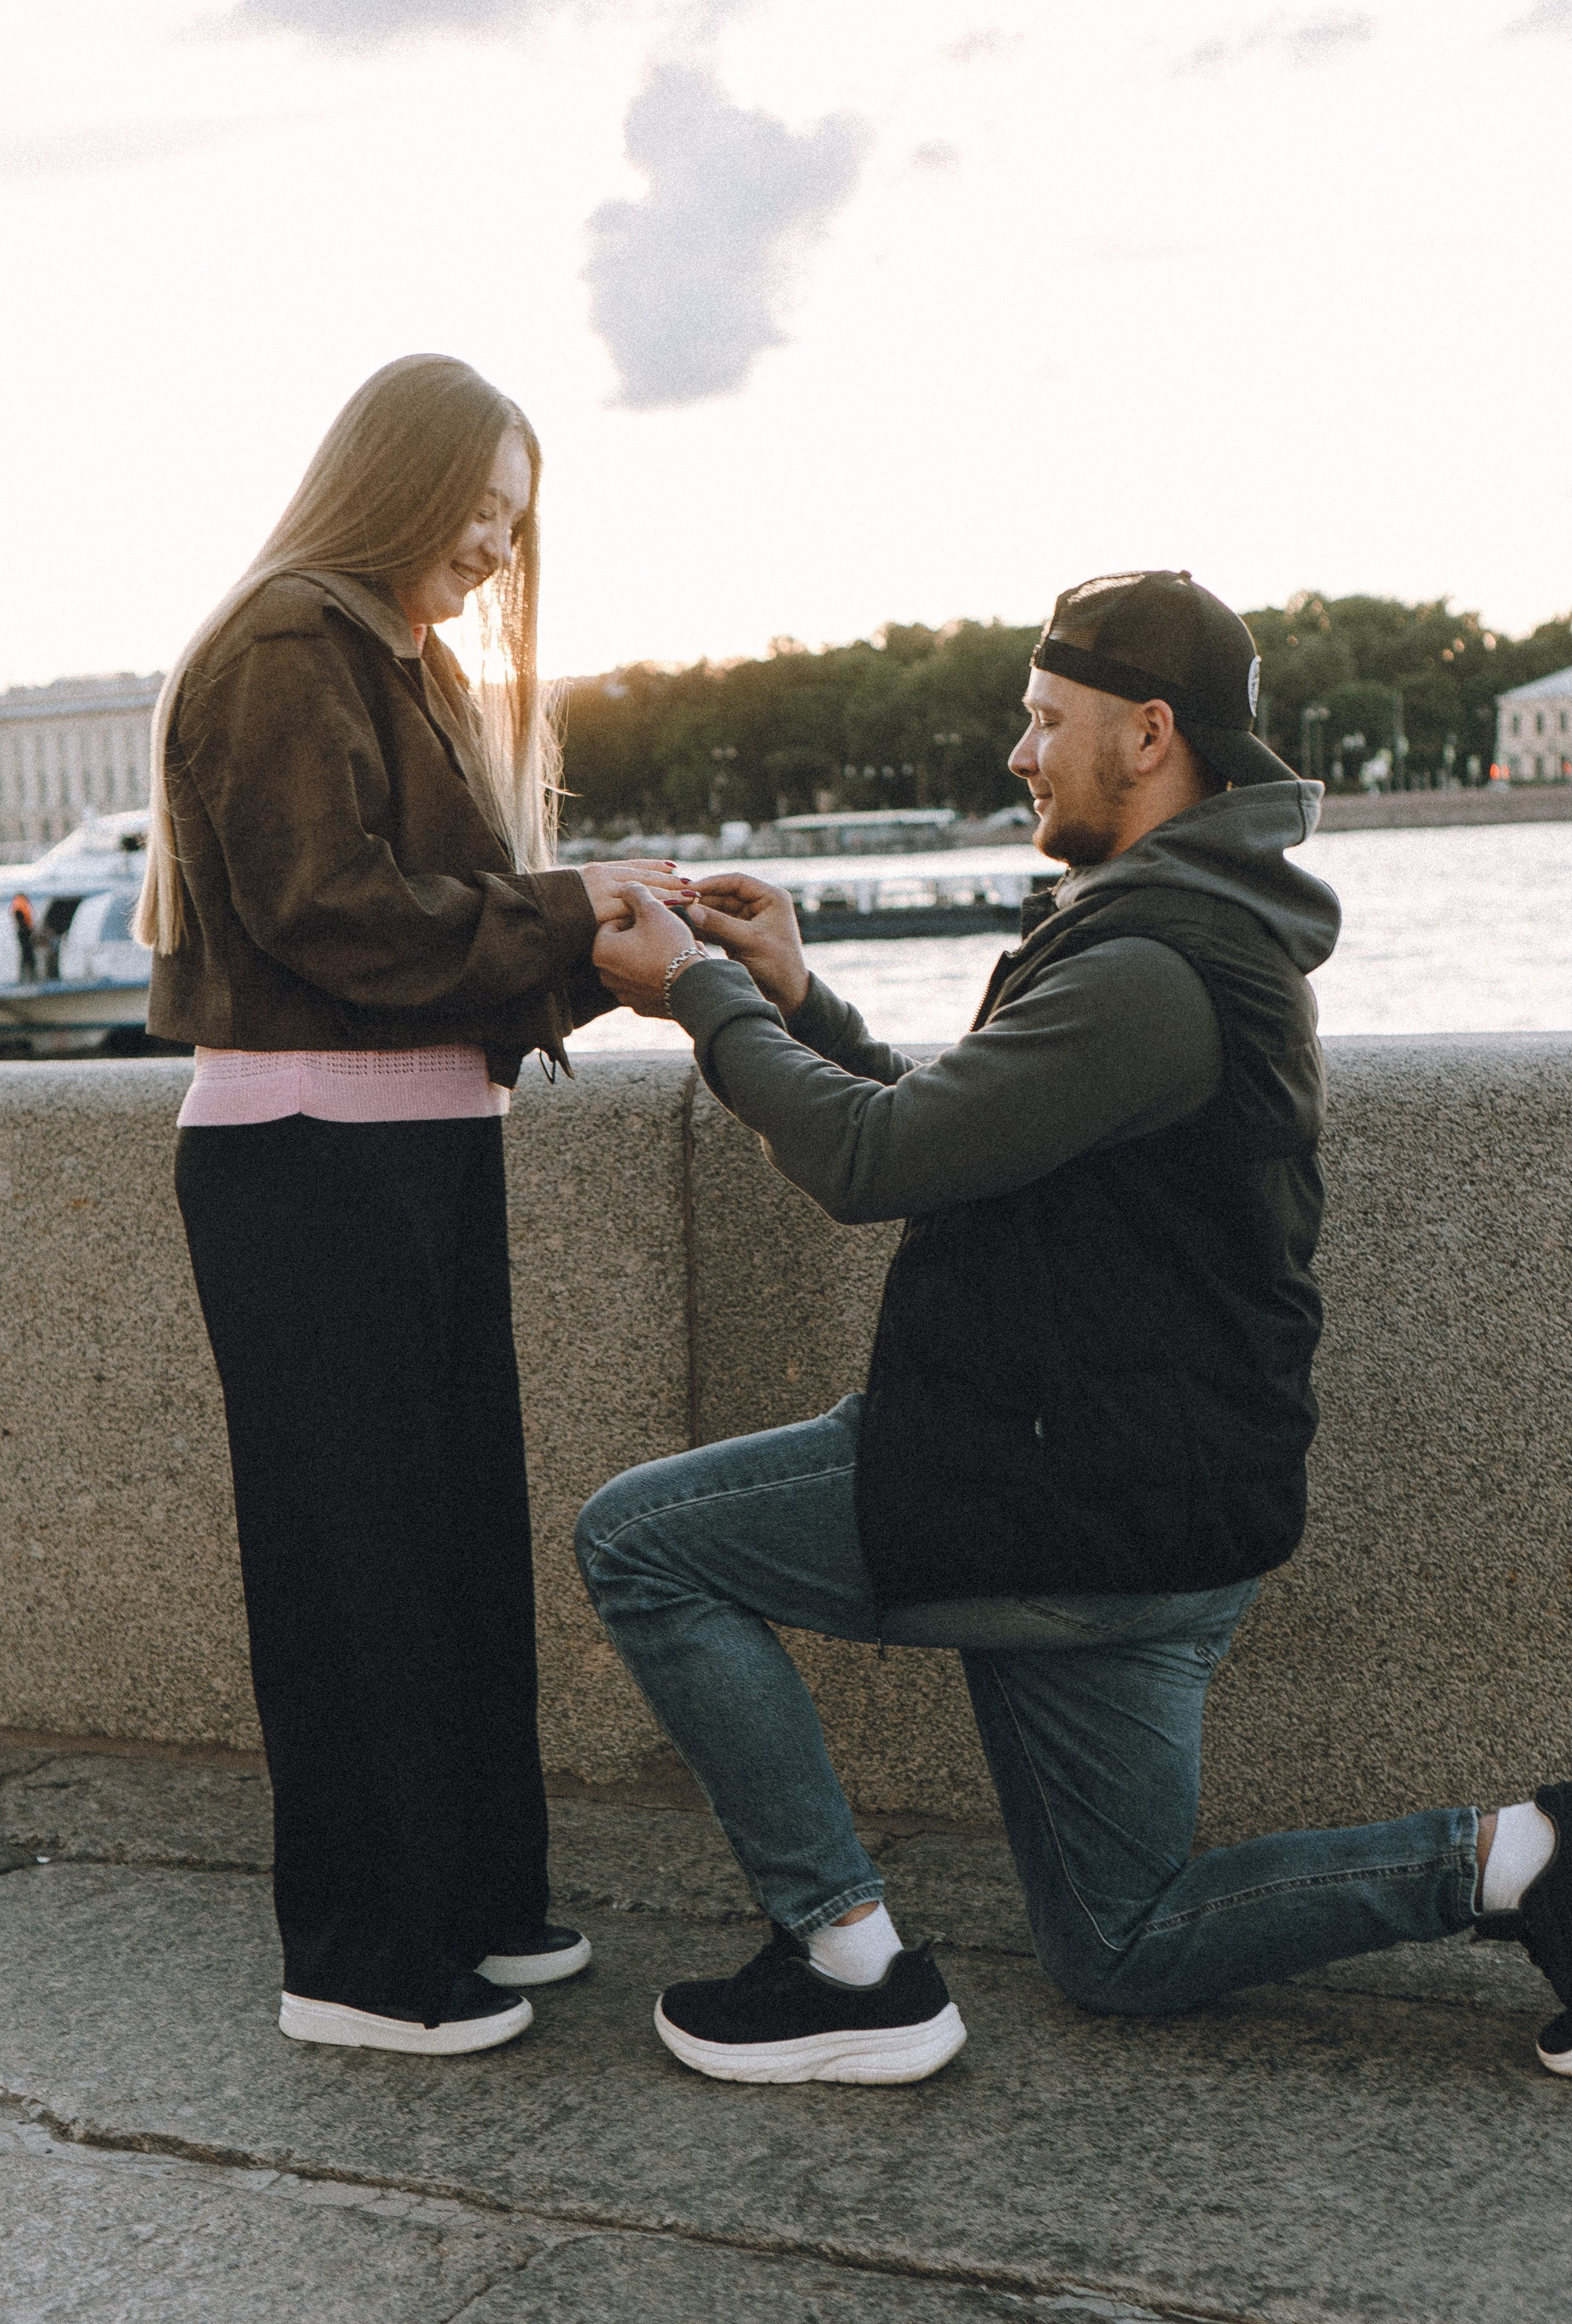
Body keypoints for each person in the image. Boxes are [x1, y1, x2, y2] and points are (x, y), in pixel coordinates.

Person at [576, 569, 1572, 2087]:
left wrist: (710, 998)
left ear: (1147, 732)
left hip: (1048, 1492)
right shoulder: (1181, 930)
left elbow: (870, 1162)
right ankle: (1520, 1858)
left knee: (640, 1543)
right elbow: (960, 1129)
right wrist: (793, 995)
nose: (1018, 753)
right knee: (1118, 1944)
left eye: (1045, 719)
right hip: (1144, 1496)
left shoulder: (1146, 966)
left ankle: (844, 1963)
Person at [140, 353, 689, 2059]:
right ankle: (365, 1965)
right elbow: (342, 919)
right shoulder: (294, 644)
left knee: (441, 1550)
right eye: (480, 509)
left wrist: (618, 927)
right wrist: (574, 908)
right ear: (398, 474)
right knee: (357, 1565)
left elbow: (438, 932)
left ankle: (466, 1906)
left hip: (397, 1145)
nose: (494, 549)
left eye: (515, 529)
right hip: (316, 1160)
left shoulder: (388, 651)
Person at [10, 893, 38, 983]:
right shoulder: (21, 903)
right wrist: (26, 927)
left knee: (26, 954)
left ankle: (25, 977)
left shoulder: (18, 903)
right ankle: (29, 977)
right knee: (28, 954)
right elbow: (20, 916)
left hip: (23, 931)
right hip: (25, 931)